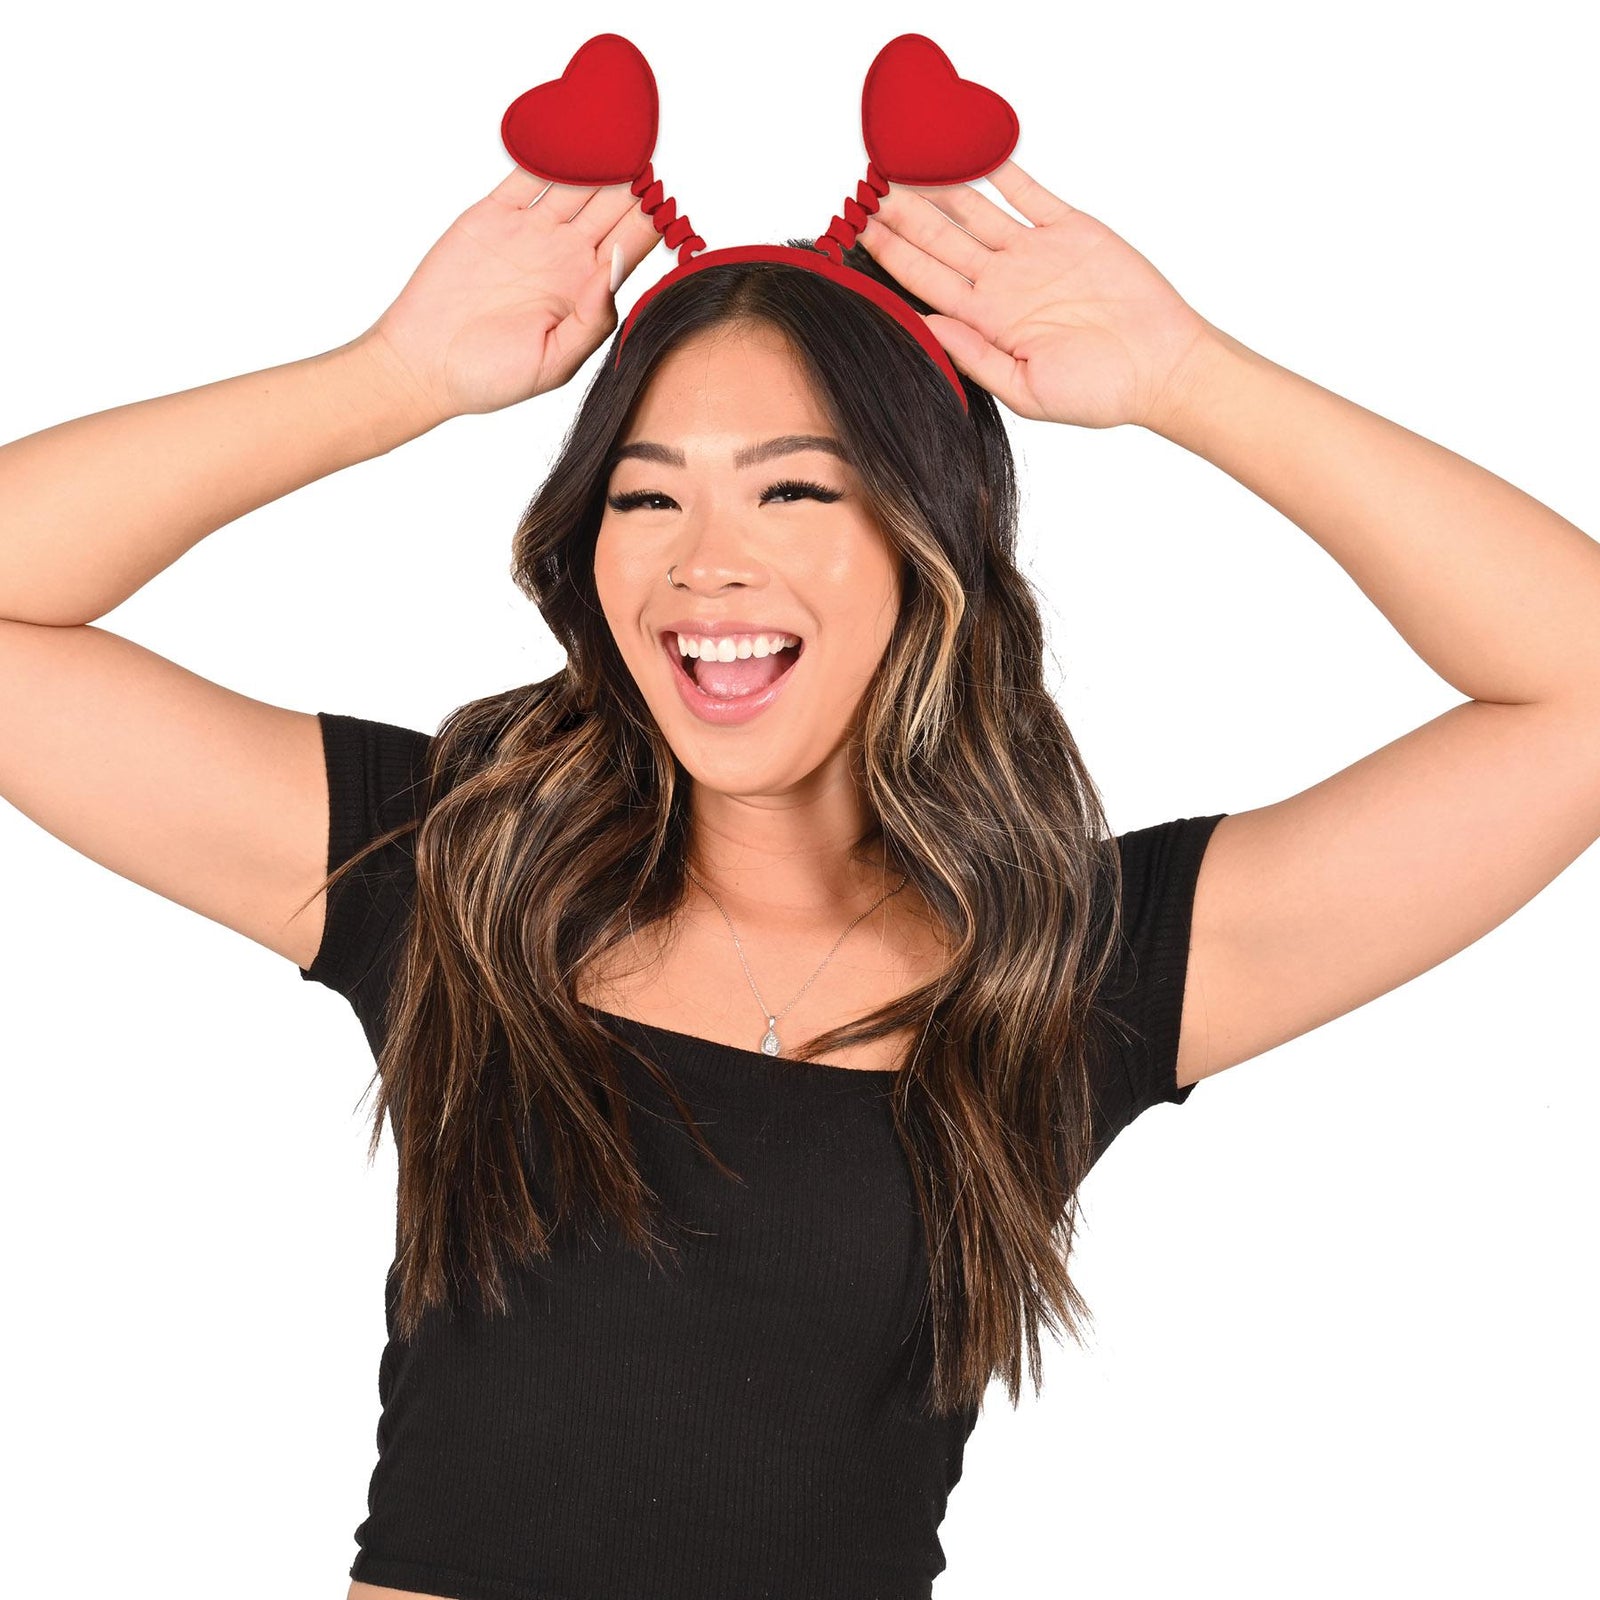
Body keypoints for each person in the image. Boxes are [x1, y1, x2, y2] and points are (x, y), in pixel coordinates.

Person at [2, 151, 1596, 1600]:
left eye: (794, 488)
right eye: (647, 495)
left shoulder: (1063, 975)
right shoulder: (457, 873)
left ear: (922, 541)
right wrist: (391, 377)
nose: (708, 561)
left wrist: (1188, 377)